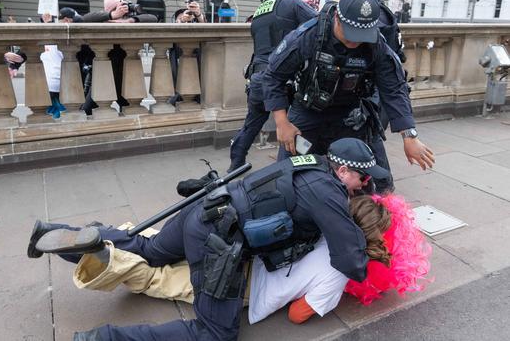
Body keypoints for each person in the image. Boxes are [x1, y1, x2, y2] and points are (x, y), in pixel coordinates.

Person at [30, 137, 393, 341]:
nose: (366, 187)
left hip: (206, 207)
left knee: (148, 249)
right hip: (217, 239)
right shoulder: (328, 191)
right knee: (216, 333)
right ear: (343, 170)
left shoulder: (310, 161)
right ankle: (104, 340)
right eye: (362, 180)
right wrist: (376, 248)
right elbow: (349, 260)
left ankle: (60, 233)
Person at [261, 0, 434, 194]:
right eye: (350, 34)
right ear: (337, 18)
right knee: (287, 175)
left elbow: (394, 87)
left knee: (380, 180)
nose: (355, 42)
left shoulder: (375, 43)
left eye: (361, 35)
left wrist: (410, 135)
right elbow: (272, 77)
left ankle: (372, 215)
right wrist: (281, 122)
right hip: (308, 110)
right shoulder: (307, 37)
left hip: (350, 112)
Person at [228, 0, 317, 172]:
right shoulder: (290, 4)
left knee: (251, 124)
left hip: (257, 79)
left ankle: (236, 164)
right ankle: (293, 169)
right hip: (282, 81)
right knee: (296, 126)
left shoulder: (257, 14)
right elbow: (321, 24)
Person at [343, 0, 407, 191]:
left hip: (373, 95)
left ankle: (383, 193)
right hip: (371, 92)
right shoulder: (383, 14)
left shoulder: (372, 19)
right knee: (366, 143)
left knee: (368, 143)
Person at [78, 0, 158, 113]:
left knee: (128, 106)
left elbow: (152, 18)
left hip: (122, 72)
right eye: (119, 6)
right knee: (87, 108)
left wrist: (130, 21)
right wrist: (112, 16)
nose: (124, 9)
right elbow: (83, 19)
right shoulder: (101, 19)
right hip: (103, 72)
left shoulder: (129, 20)